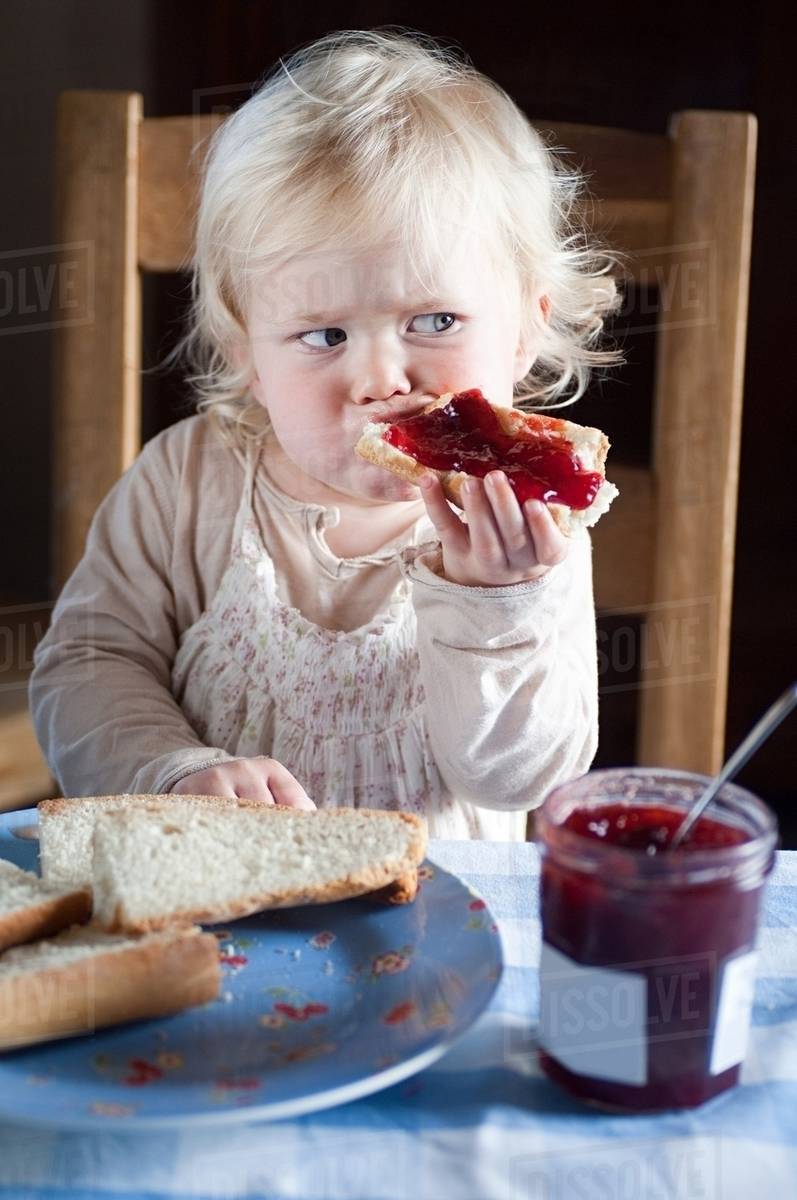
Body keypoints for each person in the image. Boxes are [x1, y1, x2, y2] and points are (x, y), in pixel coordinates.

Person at [30, 27, 624, 840]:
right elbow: (86, 668)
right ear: (248, 356)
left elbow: (516, 776)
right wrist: (173, 770)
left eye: (436, 320)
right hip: (215, 900)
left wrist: (496, 604)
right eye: (324, 336)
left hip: (440, 922)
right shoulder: (183, 482)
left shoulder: (529, 532)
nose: (381, 378)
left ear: (524, 331)